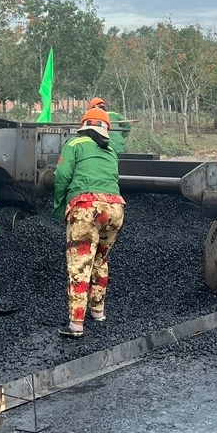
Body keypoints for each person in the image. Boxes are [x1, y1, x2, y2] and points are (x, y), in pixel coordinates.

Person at [53, 107, 126, 338]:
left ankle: (76, 325)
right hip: (115, 209)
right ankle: (98, 312)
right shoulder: (111, 150)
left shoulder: (74, 144)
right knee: (101, 260)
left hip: (86, 208)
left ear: (84, 126)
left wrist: (59, 205)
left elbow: (62, 175)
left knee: (79, 265)